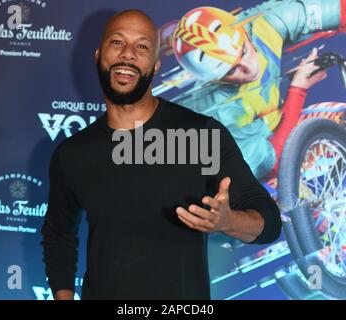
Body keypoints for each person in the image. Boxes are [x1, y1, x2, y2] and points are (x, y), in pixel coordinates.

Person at [41, 9, 281, 300]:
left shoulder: (201, 135)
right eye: (117, 42)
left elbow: (269, 223)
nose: (128, 54)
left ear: (155, 66)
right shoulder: (73, 154)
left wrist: (228, 222)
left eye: (141, 46)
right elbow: (58, 238)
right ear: (98, 55)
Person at [171, 0, 345, 178]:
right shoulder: (221, 113)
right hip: (249, 176)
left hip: (279, 128)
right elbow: (275, 164)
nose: (249, 67)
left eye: (244, 51)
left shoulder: (262, 25)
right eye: (231, 70)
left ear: (244, 34)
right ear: (214, 79)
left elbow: (335, 10)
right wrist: (298, 88)